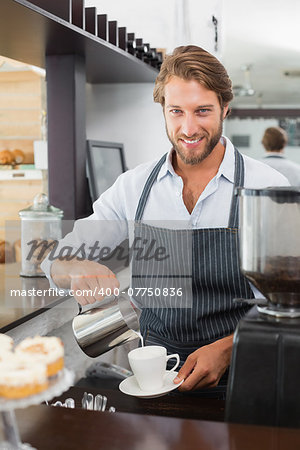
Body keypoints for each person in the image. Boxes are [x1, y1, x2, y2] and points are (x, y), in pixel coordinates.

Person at [42, 45, 289, 395]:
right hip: (156, 378)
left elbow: (290, 305)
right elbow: (56, 256)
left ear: (225, 109)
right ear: (163, 110)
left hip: (246, 373)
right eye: (176, 112)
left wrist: (227, 349)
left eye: (202, 111)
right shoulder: (134, 187)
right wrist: (75, 267)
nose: (188, 128)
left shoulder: (267, 187)